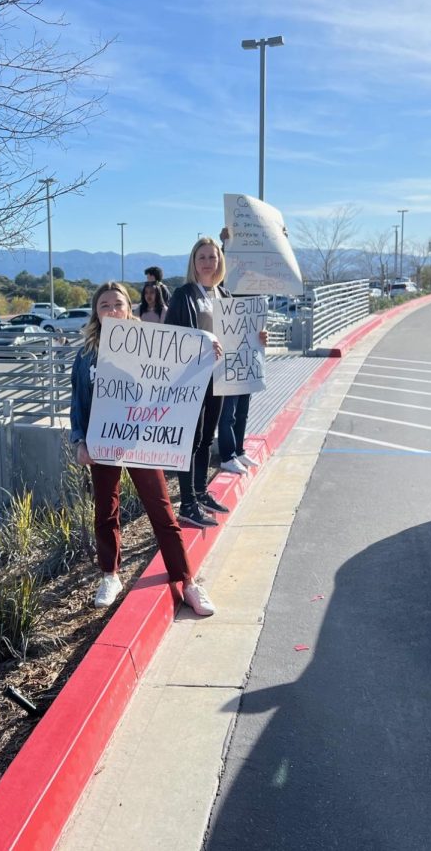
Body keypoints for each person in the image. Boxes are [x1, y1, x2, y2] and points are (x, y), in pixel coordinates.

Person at [69, 282, 215, 615]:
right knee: (105, 511)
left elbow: (179, 373)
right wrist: (79, 440)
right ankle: (110, 574)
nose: (111, 310)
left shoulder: (148, 344)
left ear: (128, 308)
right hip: (104, 440)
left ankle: (188, 582)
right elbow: (77, 402)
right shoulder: (86, 353)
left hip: (143, 441)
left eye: (117, 303)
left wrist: (207, 349)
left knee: (162, 511)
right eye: (104, 304)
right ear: (96, 311)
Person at [163, 237, 232, 527]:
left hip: (218, 377)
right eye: (201, 257)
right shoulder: (184, 294)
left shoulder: (224, 295)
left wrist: (257, 338)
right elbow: (173, 335)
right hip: (193, 378)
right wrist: (202, 339)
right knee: (190, 440)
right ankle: (187, 502)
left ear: (219, 262)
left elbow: (236, 335)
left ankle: (201, 492)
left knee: (206, 438)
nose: (207, 262)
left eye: (212, 257)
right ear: (193, 261)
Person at [217, 226, 261, 474]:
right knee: (229, 410)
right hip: (229, 354)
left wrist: (277, 243)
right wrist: (226, 245)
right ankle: (227, 454)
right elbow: (221, 272)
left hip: (249, 351)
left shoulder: (254, 286)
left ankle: (239, 450)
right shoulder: (226, 287)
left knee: (243, 407)